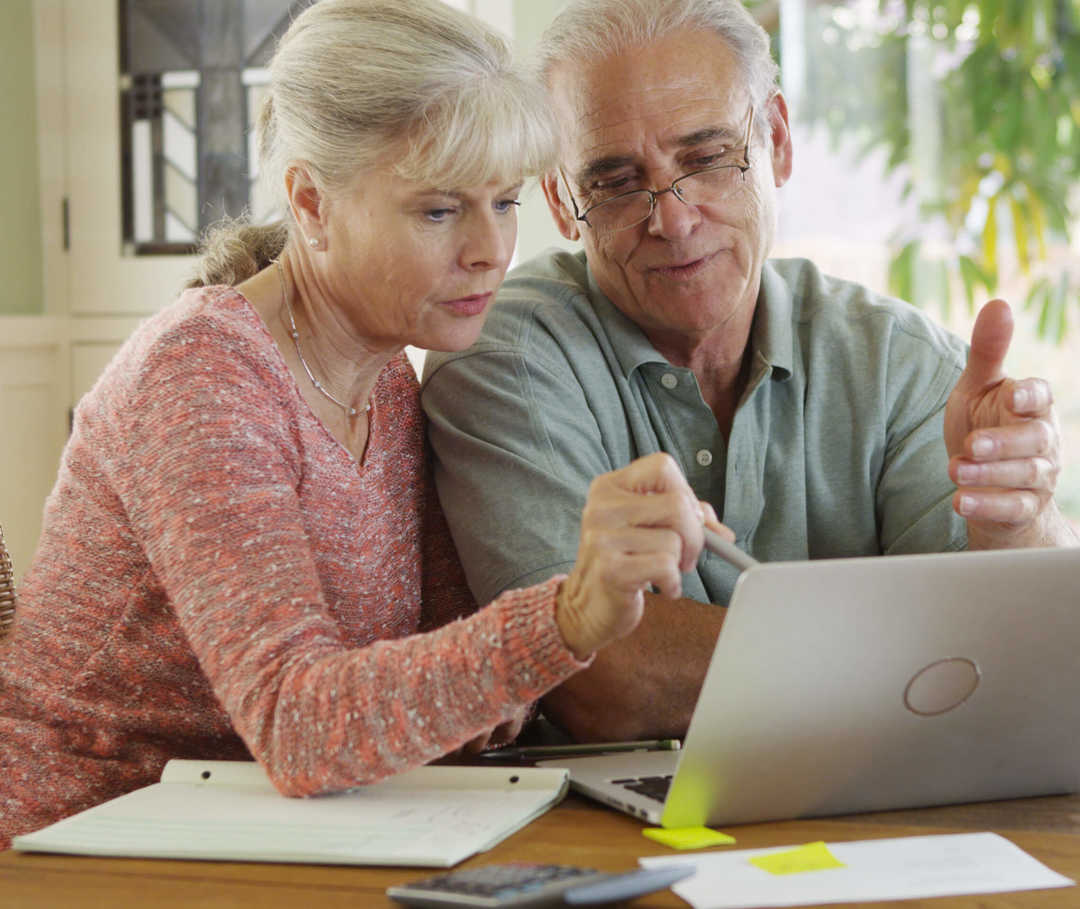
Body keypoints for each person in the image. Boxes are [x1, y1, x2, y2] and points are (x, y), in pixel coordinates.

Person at [0, 0, 720, 850]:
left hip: (292, 831)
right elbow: (299, 726)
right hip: (88, 843)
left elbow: (465, 706)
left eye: (506, 200)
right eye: (440, 211)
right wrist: (567, 615)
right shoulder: (200, 374)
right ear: (311, 203)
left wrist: (603, 589)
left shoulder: (387, 379)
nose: (492, 249)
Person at [421, 0, 1079, 743]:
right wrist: (912, 653)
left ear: (779, 141)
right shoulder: (504, 359)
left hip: (886, 811)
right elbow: (599, 678)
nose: (671, 218)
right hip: (616, 840)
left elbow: (1024, 655)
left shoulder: (898, 360)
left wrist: (1019, 523)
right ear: (562, 202)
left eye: (706, 159)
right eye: (615, 181)